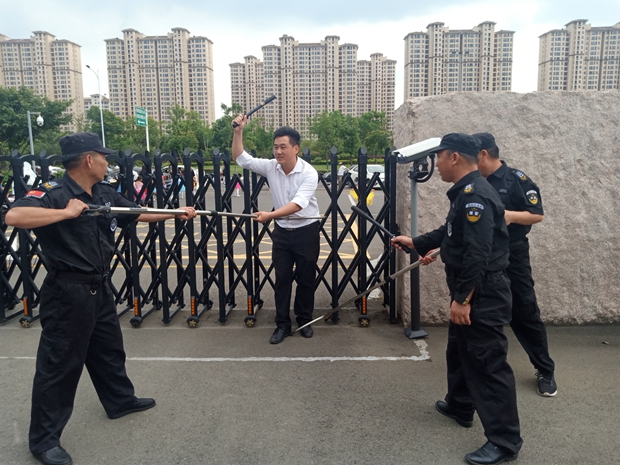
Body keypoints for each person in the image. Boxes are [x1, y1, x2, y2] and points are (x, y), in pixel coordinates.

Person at [5, 132, 196, 465]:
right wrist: (65, 213)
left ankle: (119, 400)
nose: (108, 162)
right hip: (67, 292)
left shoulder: (104, 192)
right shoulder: (54, 193)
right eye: (104, 157)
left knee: (109, 350)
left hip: (100, 287)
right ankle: (44, 441)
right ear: (89, 159)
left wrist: (174, 213)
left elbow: (135, 213)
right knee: (59, 366)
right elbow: (14, 217)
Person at [392, 133, 522, 465]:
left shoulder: (476, 195)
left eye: (439, 156)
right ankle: (461, 405)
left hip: (483, 292)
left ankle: (505, 441)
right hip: (474, 288)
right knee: (460, 350)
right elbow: (451, 233)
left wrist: (463, 299)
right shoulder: (466, 192)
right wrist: (417, 242)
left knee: (487, 363)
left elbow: (479, 252)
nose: (435, 163)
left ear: (454, 158)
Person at [474, 132, 557, 397]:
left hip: (513, 254)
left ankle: (545, 370)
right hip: (484, 255)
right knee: (481, 311)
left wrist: (510, 216)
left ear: (484, 154)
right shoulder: (476, 181)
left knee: (525, 311)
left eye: (473, 157)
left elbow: (537, 215)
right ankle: (480, 370)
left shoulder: (516, 180)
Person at [232, 114, 320, 344]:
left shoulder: (309, 173)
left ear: (295, 148)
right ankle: (282, 324)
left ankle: (304, 320)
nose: (278, 152)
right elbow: (241, 158)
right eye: (275, 147)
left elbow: (298, 204)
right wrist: (238, 131)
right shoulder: (271, 167)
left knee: (306, 279)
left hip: (306, 231)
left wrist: (269, 215)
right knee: (281, 279)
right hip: (282, 232)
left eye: (283, 147)